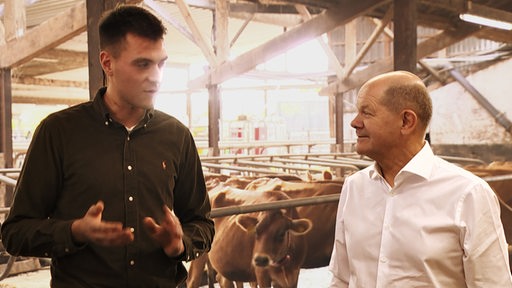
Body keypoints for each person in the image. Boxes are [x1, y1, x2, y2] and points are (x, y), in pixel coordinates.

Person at [1, 5, 214, 288]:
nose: (156, 76)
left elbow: (203, 224)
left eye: (160, 63)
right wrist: (74, 231)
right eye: (142, 64)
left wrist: (180, 244)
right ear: (107, 63)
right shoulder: (58, 132)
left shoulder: (177, 136)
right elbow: (16, 233)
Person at [328, 70, 512, 287]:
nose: (355, 122)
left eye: (367, 113)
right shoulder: (354, 188)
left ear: (406, 121)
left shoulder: (468, 193)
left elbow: (492, 284)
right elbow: (342, 278)